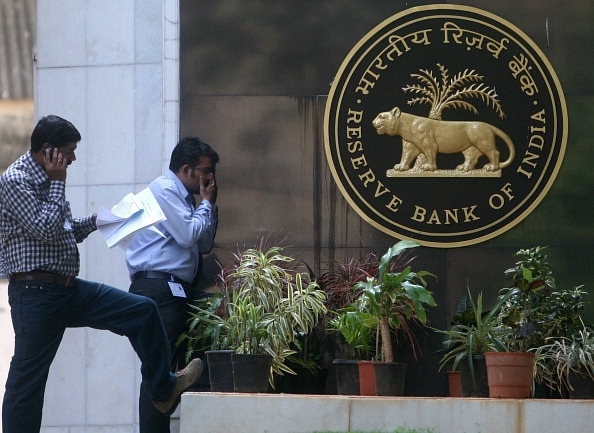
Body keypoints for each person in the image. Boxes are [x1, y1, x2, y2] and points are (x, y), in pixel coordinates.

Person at [0, 115, 203, 433]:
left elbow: (64, 230)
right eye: (69, 151)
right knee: (27, 382)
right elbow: (47, 229)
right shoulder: (16, 181)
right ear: (49, 150)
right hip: (35, 294)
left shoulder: (47, 178)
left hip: (66, 290)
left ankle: (163, 390)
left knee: (143, 311)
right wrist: (57, 181)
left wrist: (97, 220)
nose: (73, 158)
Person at [125, 136, 219, 433]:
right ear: (187, 169)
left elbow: (203, 244)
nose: (209, 178)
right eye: (205, 170)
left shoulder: (184, 199)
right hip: (158, 290)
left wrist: (208, 206)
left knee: (162, 374)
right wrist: (205, 205)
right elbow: (189, 236)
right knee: (158, 374)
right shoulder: (164, 190)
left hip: (172, 291)